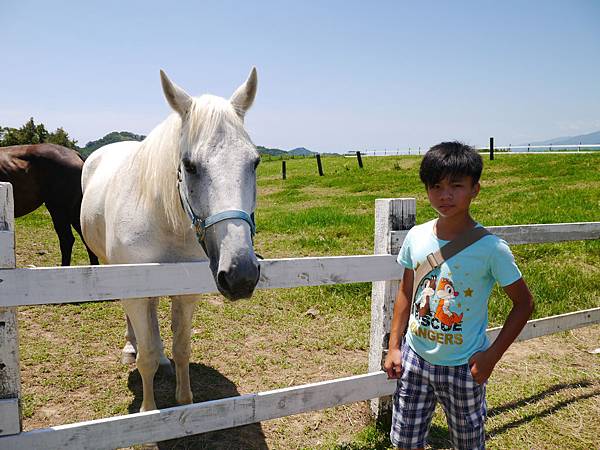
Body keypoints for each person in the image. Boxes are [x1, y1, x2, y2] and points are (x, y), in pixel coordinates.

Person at [383, 142, 534, 450]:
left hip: (465, 367)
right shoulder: (416, 237)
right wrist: (394, 347)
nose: (445, 195)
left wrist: (491, 356)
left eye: (456, 186)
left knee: (468, 443)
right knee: (404, 442)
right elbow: (405, 292)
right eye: (436, 186)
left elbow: (524, 304)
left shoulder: (491, 249)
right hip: (415, 359)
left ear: (475, 189)